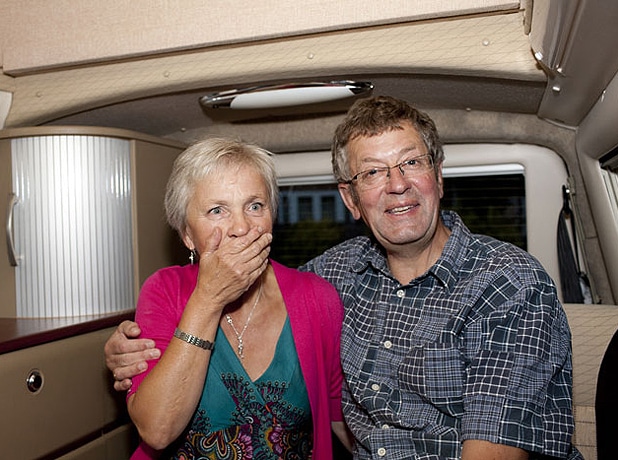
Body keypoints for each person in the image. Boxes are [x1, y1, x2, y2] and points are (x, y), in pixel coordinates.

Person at [106, 96, 580, 459]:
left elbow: (494, 448)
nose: (397, 184)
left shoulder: (508, 282)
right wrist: (128, 347)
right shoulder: (335, 276)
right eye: (372, 173)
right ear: (351, 200)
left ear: (438, 175)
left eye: (411, 162)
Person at [113, 137, 350, 459]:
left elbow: (343, 419)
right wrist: (209, 300)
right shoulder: (164, 290)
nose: (242, 226)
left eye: (255, 206)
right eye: (217, 210)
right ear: (187, 235)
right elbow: (157, 431)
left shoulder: (317, 297)